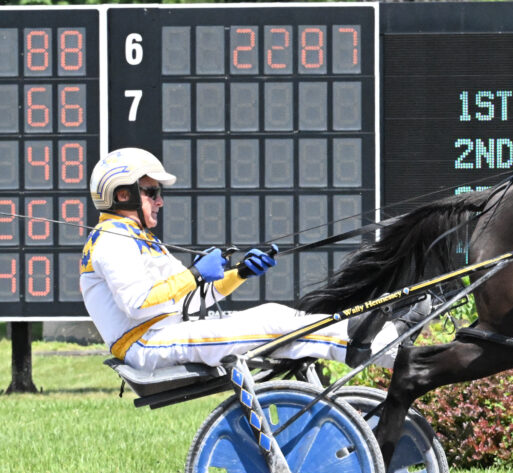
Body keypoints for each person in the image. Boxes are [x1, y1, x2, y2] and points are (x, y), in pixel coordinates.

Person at [81, 147, 402, 371]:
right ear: (123, 194)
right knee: (271, 322)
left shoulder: (139, 240)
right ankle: (386, 349)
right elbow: (138, 304)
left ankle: (390, 339)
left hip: (165, 334)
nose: (160, 201)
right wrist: (194, 274)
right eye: (152, 192)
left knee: (278, 319)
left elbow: (189, 302)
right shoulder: (112, 241)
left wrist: (240, 273)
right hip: (147, 345)